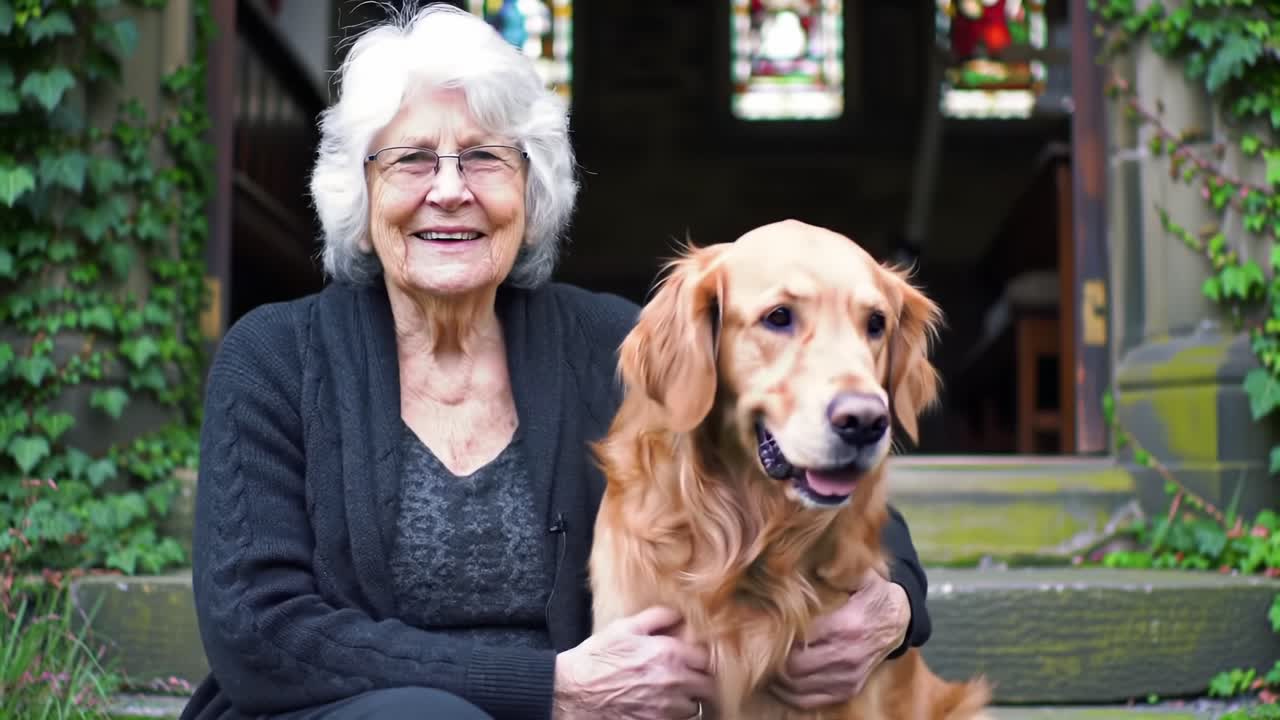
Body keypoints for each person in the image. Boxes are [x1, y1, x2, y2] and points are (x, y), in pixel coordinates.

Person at [180, 4, 933, 720]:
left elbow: (803, 471)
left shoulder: (606, 345)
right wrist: (547, 686)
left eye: (484, 159)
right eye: (411, 160)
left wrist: (895, 603)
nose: (449, 191)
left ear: (531, 192)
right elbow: (259, 632)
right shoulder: (275, 359)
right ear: (361, 190)